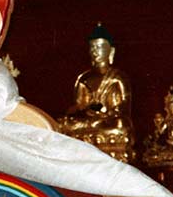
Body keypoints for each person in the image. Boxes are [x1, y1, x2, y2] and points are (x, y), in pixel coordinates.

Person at [58, 23, 135, 163]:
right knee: (64, 125)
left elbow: (124, 105)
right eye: (92, 47)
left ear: (111, 51)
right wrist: (85, 108)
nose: (95, 51)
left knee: (120, 126)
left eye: (99, 47)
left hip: (108, 121)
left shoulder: (117, 77)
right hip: (90, 121)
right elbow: (78, 105)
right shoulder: (84, 78)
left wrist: (107, 112)